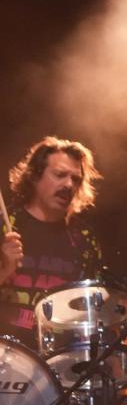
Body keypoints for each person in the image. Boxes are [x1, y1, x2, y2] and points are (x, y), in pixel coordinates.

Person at [0, 136, 103, 345]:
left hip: (59, 362)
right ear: (34, 177)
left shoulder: (83, 239)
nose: (68, 185)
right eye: (60, 175)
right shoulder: (5, 226)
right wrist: (4, 269)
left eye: (75, 179)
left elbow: (96, 312)